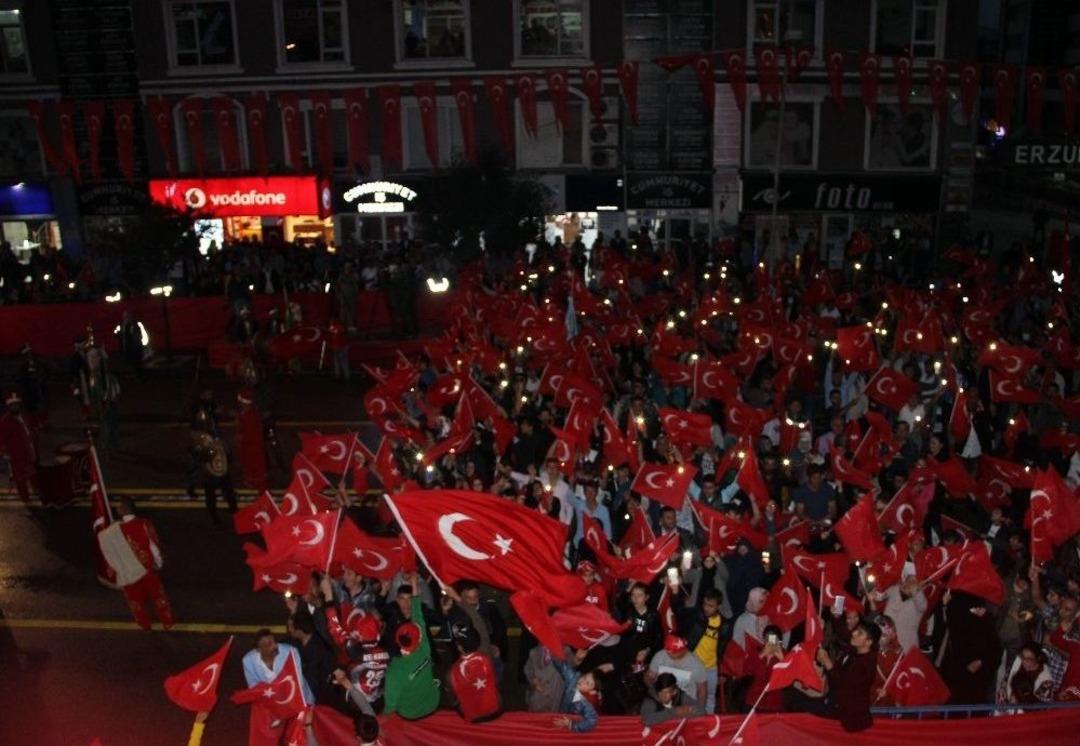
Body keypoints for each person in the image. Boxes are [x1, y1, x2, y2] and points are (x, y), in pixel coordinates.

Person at [96, 498, 174, 631]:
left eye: (119, 507)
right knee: (158, 597)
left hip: (128, 572)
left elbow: (109, 554)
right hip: (147, 569)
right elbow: (153, 546)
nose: (117, 509)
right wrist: (158, 563)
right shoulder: (144, 524)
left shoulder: (111, 532)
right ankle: (167, 622)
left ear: (123, 510)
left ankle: (145, 624)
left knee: (136, 601)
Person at [383, 573, 440, 720]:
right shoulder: (424, 647)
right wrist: (415, 582)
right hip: (433, 704)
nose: (406, 604)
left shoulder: (394, 672)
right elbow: (418, 614)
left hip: (409, 714)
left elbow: (390, 707)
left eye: (409, 600)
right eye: (402, 599)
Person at [815, 620, 879, 732]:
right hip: (835, 704)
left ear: (869, 642)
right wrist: (821, 627)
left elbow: (842, 686)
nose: (854, 633)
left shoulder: (866, 664)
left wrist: (828, 662)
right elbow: (840, 635)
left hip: (849, 718)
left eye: (859, 633)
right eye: (856, 630)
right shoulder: (854, 651)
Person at [242, 628, 314, 702]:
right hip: (271, 701)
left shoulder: (291, 652)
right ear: (259, 650)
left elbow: (298, 682)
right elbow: (254, 688)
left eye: (275, 641)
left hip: (297, 697)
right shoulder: (248, 661)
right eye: (269, 644)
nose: (275, 646)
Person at [449, 625, 501, 722]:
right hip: (493, 710)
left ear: (459, 647)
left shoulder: (455, 668)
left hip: (472, 715)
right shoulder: (486, 659)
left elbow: (454, 693)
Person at [288, 610, 336, 704]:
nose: (289, 629)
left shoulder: (318, 650)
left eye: (291, 627)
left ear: (300, 630)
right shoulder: (299, 643)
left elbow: (314, 682)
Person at [646, 634, 708, 704]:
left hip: (685, 707)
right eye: (667, 650)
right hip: (662, 706)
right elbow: (649, 679)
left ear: (682, 650)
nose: (669, 654)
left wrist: (700, 710)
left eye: (673, 652)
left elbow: (702, 691)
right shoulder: (660, 656)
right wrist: (655, 693)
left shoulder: (696, 664)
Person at [0, 392, 38, 503]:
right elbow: (1, 439)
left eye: (16, 404)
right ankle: (26, 498)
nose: (15, 407)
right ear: (9, 407)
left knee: (33, 472)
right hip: (17, 453)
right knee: (20, 477)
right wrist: (4, 452)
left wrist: (34, 435)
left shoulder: (24, 416)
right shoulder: (5, 421)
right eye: (12, 405)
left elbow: (31, 429)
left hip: (30, 450)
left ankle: (37, 491)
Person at [551, 654, 600, 732]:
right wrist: (552, 651)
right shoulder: (573, 679)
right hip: (559, 716)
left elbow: (592, 720)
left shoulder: (586, 703)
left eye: (587, 683)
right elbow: (563, 666)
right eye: (584, 677)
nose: (582, 681)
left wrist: (571, 724)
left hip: (570, 727)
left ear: (592, 691)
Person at [743, 624, 786, 712]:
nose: (770, 642)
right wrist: (762, 655)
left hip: (773, 704)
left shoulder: (785, 655)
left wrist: (782, 659)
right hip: (753, 701)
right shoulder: (757, 652)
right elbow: (747, 670)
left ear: (779, 641)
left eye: (773, 639)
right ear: (764, 640)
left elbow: (788, 679)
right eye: (767, 639)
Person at [234, 390, 268, 494]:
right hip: (249, 447)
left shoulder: (250, 416)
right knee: (252, 469)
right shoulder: (248, 414)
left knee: (256, 471)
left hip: (252, 448)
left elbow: (249, 434)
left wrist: (240, 438)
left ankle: (263, 495)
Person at [640, 672, 705, 725]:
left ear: (674, 692)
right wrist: (674, 712)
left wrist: (689, 711)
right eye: (660, 692)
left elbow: (702, 711)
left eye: (666, 693)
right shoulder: (650, 699)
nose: (662, 696)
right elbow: (646, 720)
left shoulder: (680, 696)